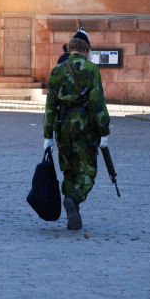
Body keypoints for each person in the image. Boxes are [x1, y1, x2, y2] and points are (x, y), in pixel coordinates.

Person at [43, 34, 110, 230]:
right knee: (87, 171)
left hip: (62, 127)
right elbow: (97, 103)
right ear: (86, 50)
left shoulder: (56, 70)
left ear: (70, 48)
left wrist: (47, 136)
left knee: (69, 171)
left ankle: (73, 212)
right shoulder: (91, 69)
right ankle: (73, 199)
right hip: (84, 127)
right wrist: (104, 130)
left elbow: (50, 107)